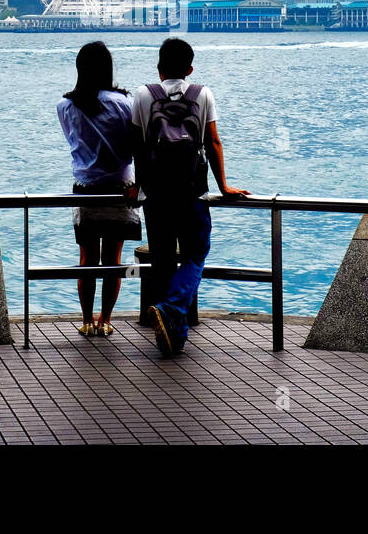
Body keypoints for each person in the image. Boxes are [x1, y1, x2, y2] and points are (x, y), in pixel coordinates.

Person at [132, 37, 249, 358]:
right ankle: (171, 311)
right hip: (193, 192)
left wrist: (137, 185)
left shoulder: (143, 95)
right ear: (190, 68)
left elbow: (137, 147)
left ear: (158, 69)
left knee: (163, 261)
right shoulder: (203, 94)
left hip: (155, 196)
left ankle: (174, 334)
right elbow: (213, 142)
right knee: (197, 254)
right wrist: (224, 187)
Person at [56, 41, 140, 337]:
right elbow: (135, 146)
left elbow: (73, 143)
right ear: (108, 68)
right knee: (113, 260)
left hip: (86, 188)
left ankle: (86, 319)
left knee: (87, 258)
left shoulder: (65, 106)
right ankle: (106, 320)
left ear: (79, 69)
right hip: (121, 189)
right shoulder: (125, 103)